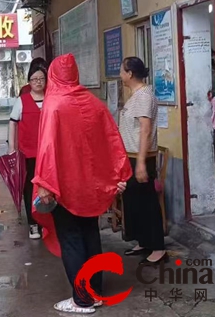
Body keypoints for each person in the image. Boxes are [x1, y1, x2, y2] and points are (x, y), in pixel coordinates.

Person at [32, 54, 132, 314]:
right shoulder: (93, 103)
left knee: (71, 239)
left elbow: (47, 148)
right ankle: (94, 293)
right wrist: (117, 176)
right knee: (90, 235)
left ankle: (81, 300)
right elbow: (110, 140)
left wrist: (44, 183)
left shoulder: (54, 105)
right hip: (91, 185)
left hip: (65, 185)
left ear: (53, 75)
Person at [119, 57, 167, 266]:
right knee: (133, 202)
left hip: (141, 158)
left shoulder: (144, 96)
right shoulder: (136, 95)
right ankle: (143, 241)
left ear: (129, 73)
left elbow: (145, 130)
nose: (120, 74)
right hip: (130, 156)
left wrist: (139, 163)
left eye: (122, 71)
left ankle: (157, 247)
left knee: (147, 202)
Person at [8, 62, 47, 239]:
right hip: (28, 154)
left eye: (41, 78)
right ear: (29, 82)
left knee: (49, 188)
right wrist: (12, 149)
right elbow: (12, 123)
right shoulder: (22, 101)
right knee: (29, 189)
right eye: (34, 79)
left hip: (48, 154)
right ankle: (33, 224)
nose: (38, 82)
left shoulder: (51, 99)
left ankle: (47, 223)